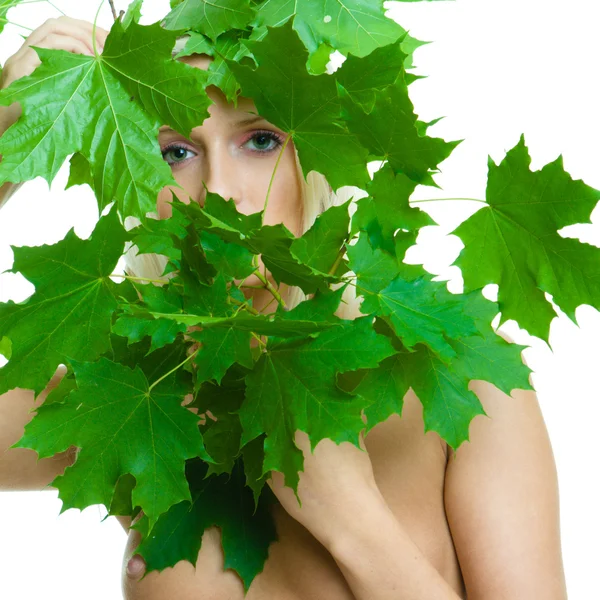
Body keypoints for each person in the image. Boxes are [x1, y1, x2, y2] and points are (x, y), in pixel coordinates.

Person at [0, 16, 568, 600]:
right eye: (175, 152)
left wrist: (354, 524)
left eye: (261, 140)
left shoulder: (462, 378)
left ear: (320, 154)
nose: (219, 191)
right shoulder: (128, 399)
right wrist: (4, 128)